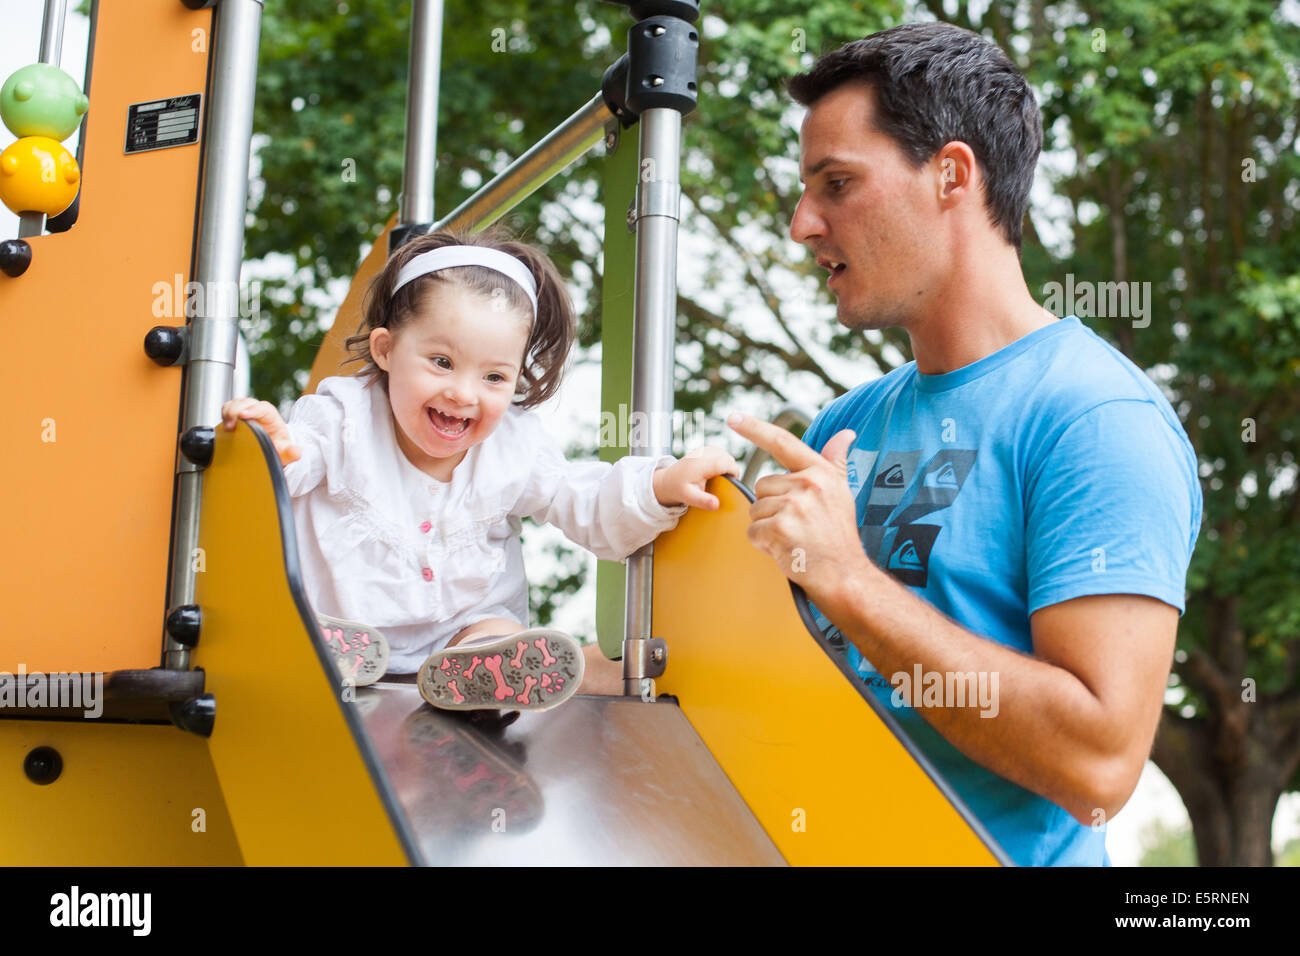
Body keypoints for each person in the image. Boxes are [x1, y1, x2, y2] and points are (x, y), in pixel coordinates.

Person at [726, 22, 1201, 866]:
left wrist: (846, 579)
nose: (802, 223)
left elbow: (1097, 768)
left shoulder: (1096, 419)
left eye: (837, 183)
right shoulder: (842, 426)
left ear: (951, 174)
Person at [222, 228, 737, 713]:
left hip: (455, 642)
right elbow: (296, 463)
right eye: (442, 362)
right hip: (346, 625)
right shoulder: (342, 416)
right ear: (386, 349)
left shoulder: (514, 444)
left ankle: (490, 673)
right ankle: (312, 645)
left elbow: (582, 498)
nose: (463, 394)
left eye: (494, 376)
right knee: (305, 614)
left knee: (493, 627)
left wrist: (660, 486)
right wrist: (277, 448)